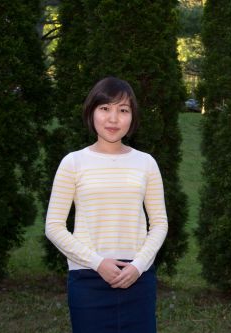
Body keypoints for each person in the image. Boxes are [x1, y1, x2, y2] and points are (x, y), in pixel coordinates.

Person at [45, 76, 168, 332]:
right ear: (91, 112)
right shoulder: (73, 163)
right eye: (105, 108)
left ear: (132, 117)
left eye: (123, 110)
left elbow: (159, 224)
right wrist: (97, 262)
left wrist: (138, 266)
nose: (113, 119)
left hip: (137, 278)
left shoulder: (146, 163)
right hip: (88, 278)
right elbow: (54, 227)